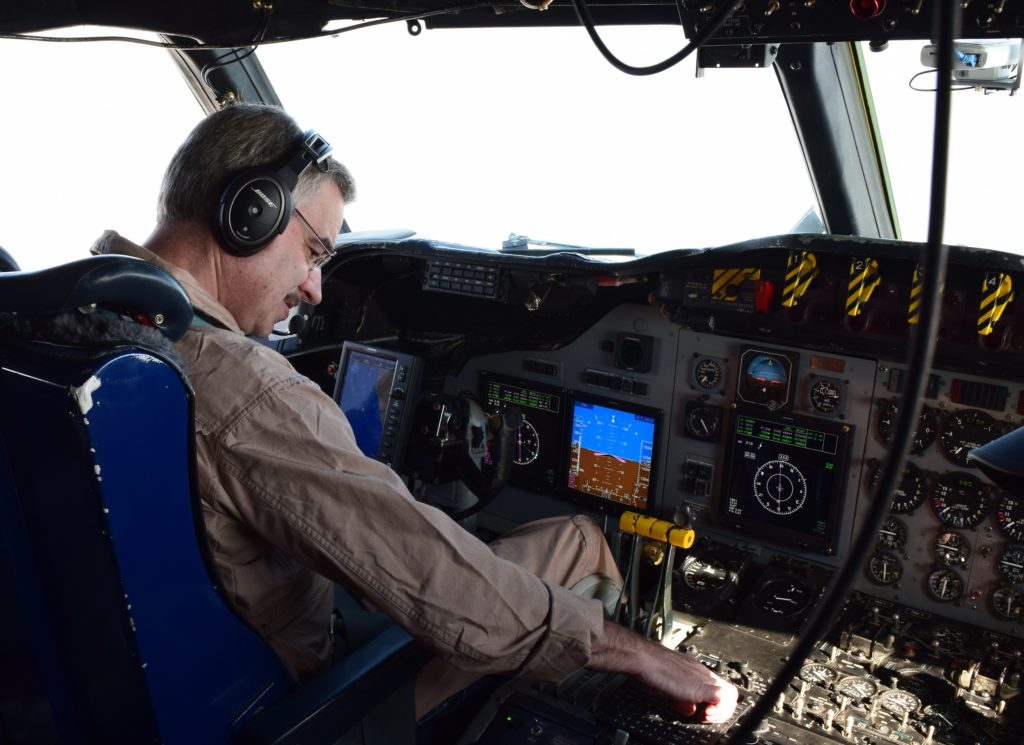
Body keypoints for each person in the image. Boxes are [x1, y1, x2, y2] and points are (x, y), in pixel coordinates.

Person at [91, 102, 738, 726]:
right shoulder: (243, 387)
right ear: (249, 213)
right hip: (304, 704)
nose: (315, 287)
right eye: (316, 251)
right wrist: (640, 653)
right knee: (579, 544)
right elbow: (439, 580)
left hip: (143, 691)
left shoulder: (60, 321)